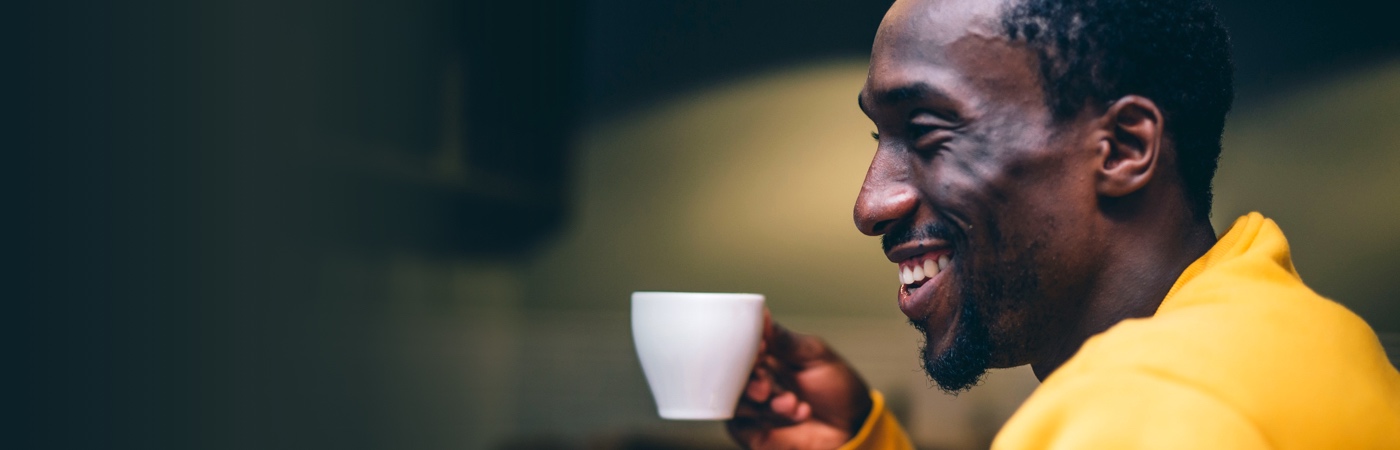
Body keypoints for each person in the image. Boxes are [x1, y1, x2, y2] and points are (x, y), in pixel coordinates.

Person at [724, 0, 1400, 448]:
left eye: (926, 131)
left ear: (1125, 148)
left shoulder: (1152, 409)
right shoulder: (1286, 337)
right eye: (879, 135)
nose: (870, 205)